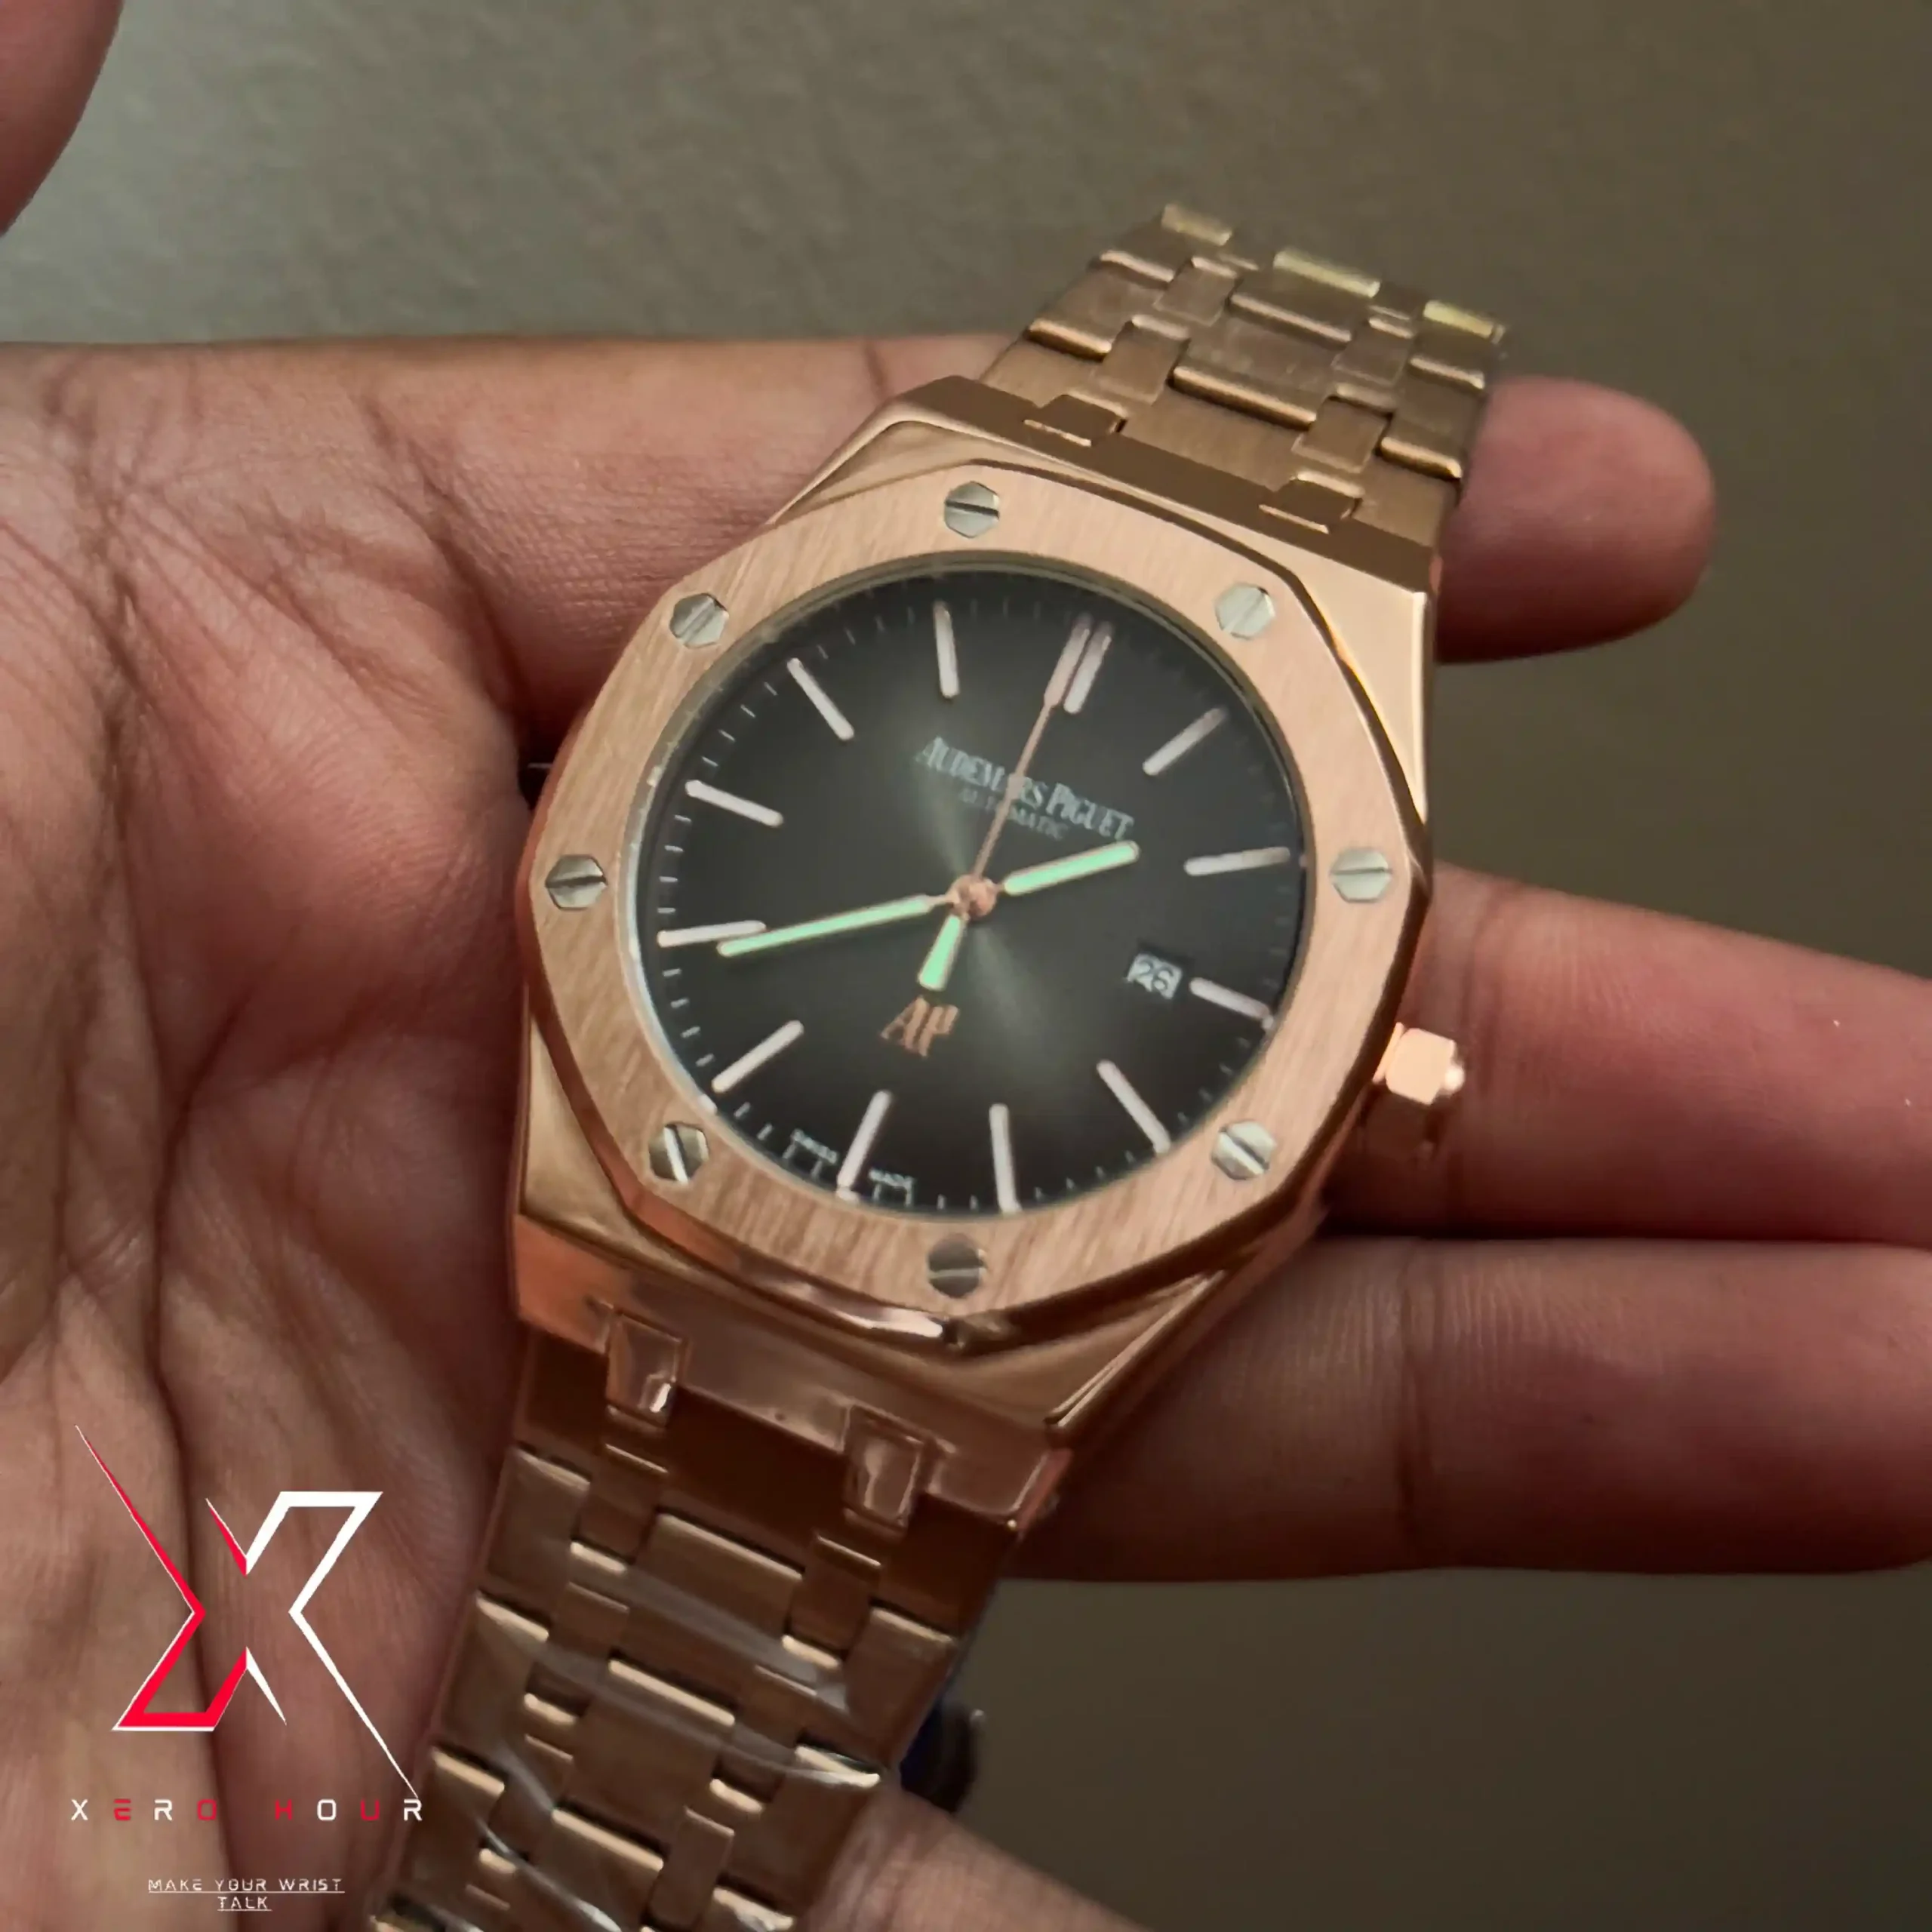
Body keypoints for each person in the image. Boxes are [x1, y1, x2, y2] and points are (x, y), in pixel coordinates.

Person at [2, 10, 1927, 1928]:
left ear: (1369, 1081)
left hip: (938, 1341)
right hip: (645, 1226)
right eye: (963, 876)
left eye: (1008, 886)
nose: (972, 894)